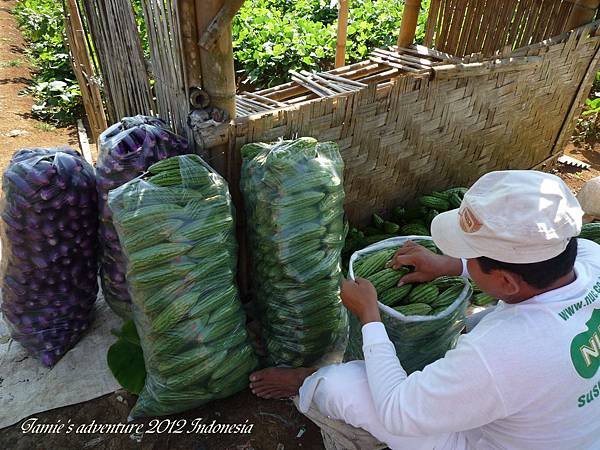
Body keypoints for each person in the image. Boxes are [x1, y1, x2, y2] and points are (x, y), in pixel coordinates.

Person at [249, 170, 600, 449]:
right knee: (478, 327)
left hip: (487, 442)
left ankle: (306, 380)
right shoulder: (586, 258)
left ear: (508, 281)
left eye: (472, 258)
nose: (467, 261)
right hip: (573, 429)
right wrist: (451, 265)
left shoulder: (501, 354)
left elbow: (398, 413)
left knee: (340, 385)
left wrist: (369, 317)